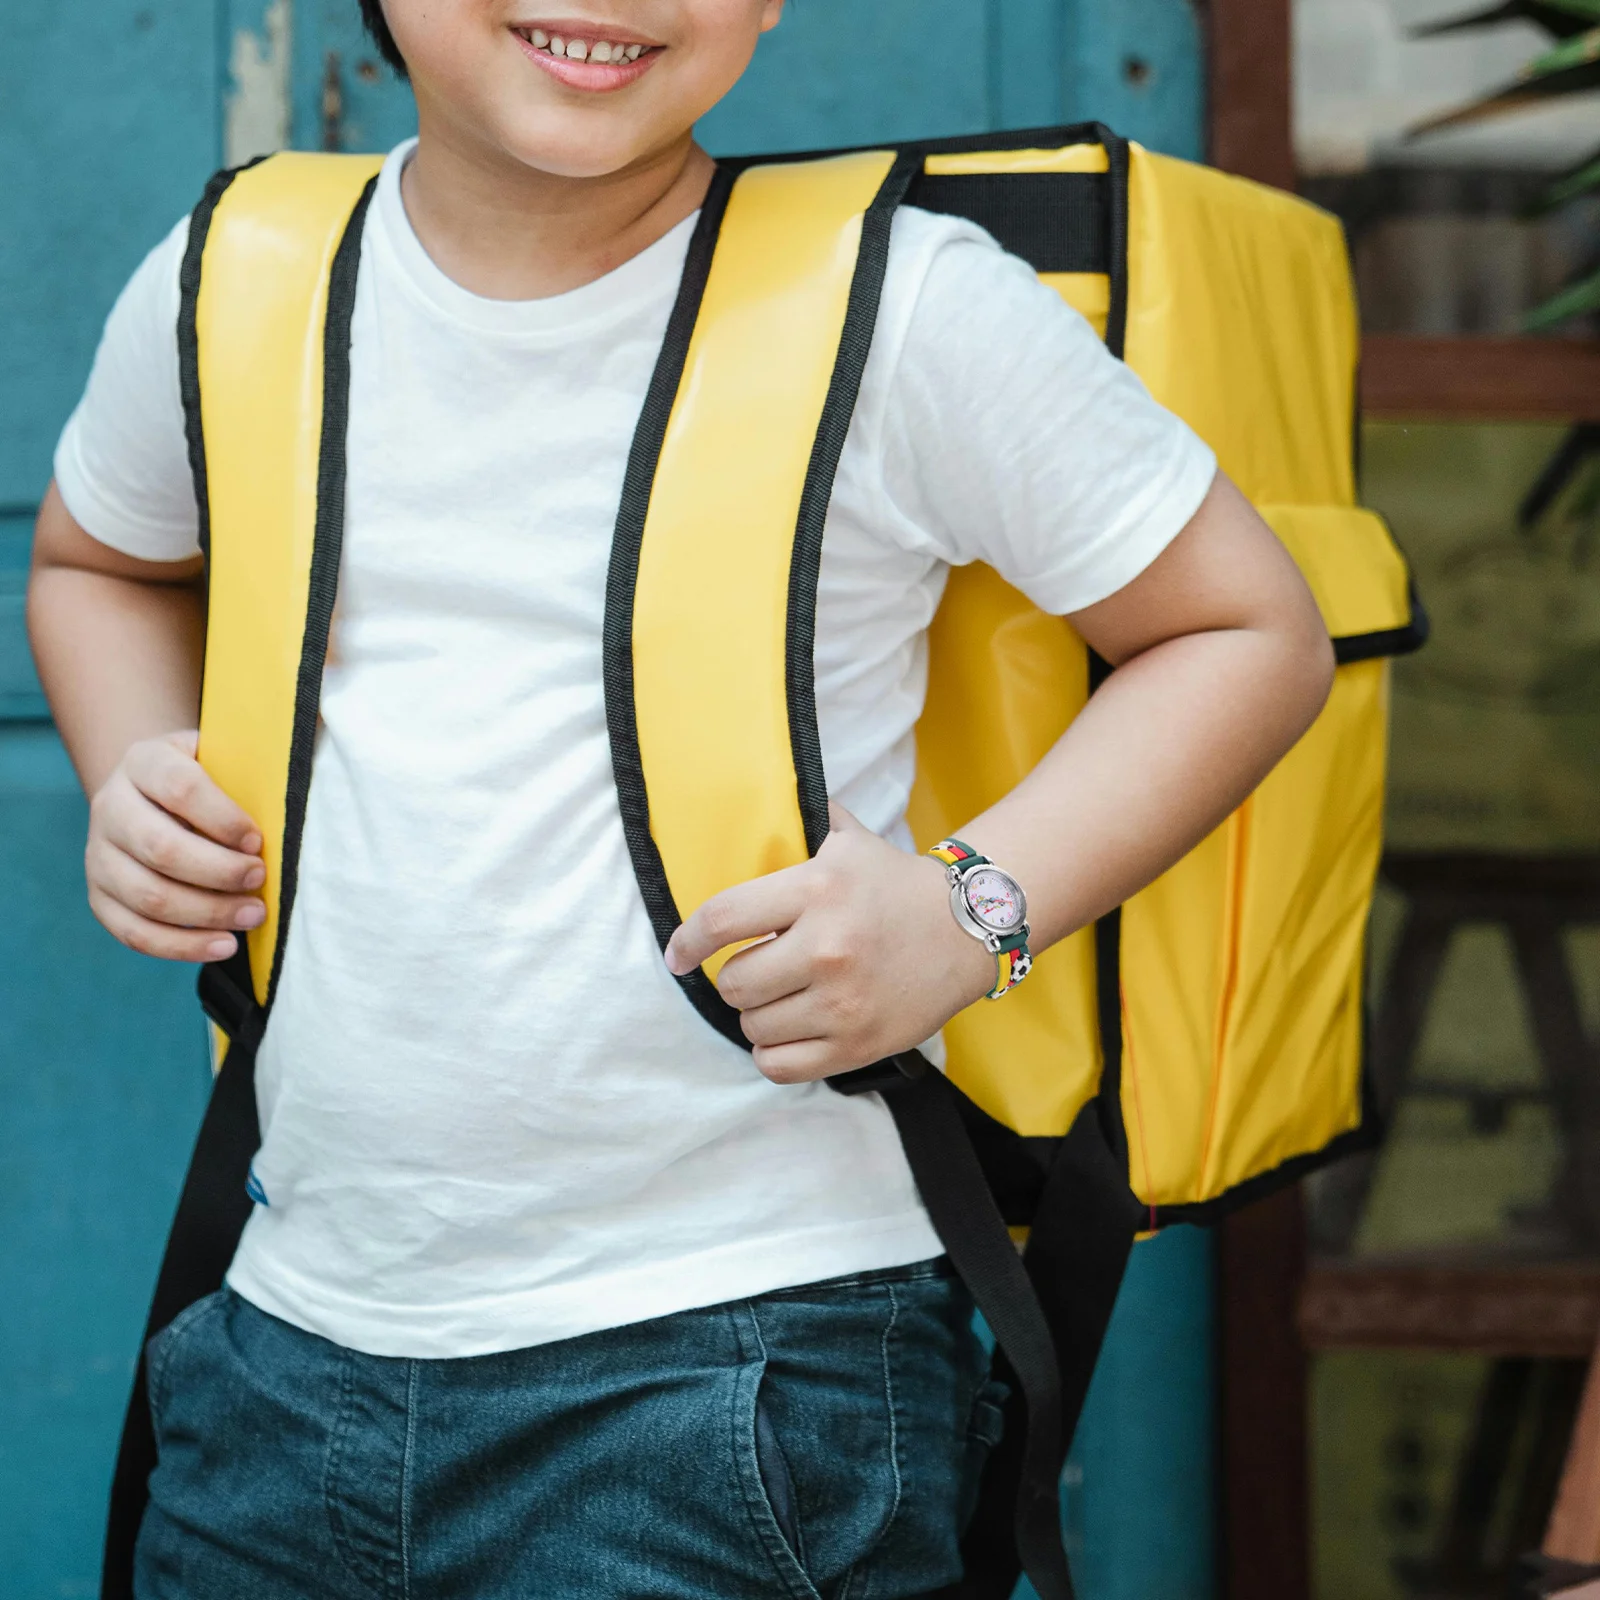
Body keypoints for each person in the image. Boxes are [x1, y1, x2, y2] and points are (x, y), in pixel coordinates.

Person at [27, 2, 1335, 1594]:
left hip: (751, 1379)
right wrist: (135, 768)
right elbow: (101, 563)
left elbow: (1247, 631)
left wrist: (965, 915)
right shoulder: (229, 279)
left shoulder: (907, 305)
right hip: (280, 1353)